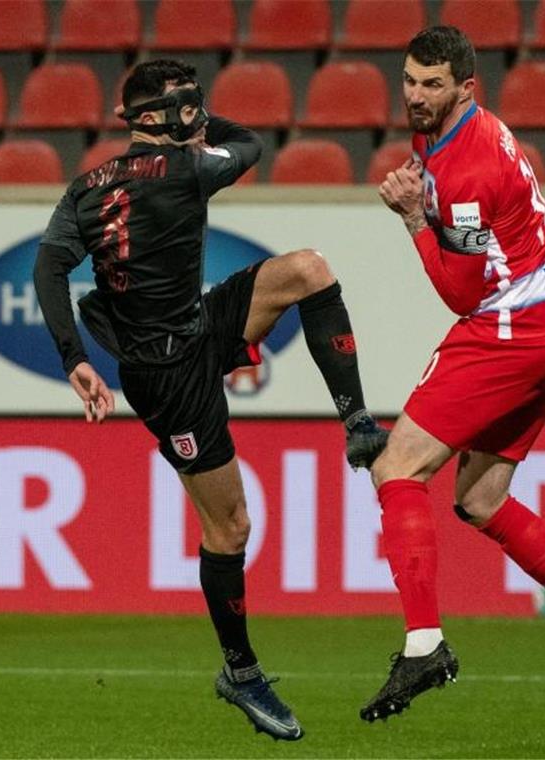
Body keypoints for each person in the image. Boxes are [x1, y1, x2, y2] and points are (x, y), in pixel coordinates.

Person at [33, 59, 388, 741]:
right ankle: (240, 671)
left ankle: (358, 423)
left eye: (195, 102)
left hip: (197, 325)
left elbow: (49, 267)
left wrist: (74, 358)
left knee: (307, 271)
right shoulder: (191, 169)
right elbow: (253, 142)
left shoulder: (84, 189)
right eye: (183, 104)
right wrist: (201, 122)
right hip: (167, 378)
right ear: (149, 119)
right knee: (230, 529)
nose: (195, 113)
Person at [360, 26, 545, 722]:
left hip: (512, 327)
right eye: (409, 81)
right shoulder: (469, 134)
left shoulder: (466, 173)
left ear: (467, 88)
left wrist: (411, 220)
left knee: (396, 467)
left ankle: (424, 645)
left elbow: (461, 294)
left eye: (432, 86)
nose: (416, 97)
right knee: (482, 498)